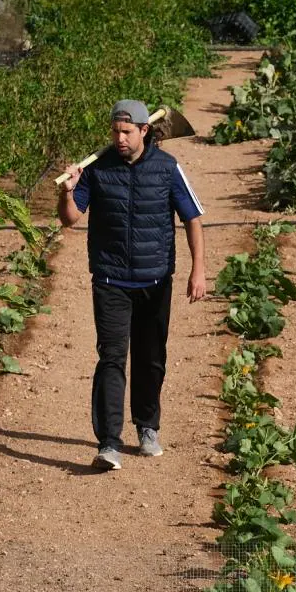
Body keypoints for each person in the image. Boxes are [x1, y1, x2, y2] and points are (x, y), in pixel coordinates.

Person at [57, 99, 207, 471]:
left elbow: (192, 218)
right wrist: (68, 189)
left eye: (127, 132)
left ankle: (147, 427)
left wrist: (198, 270)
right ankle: (108, 442)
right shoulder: (97, 169)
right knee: (111, 357)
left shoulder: (167, 168)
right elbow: (70, 219)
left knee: (150, 357)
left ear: (144, 131)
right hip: (110, 279)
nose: (119, 138)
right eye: (115, 132)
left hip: (155, 280)